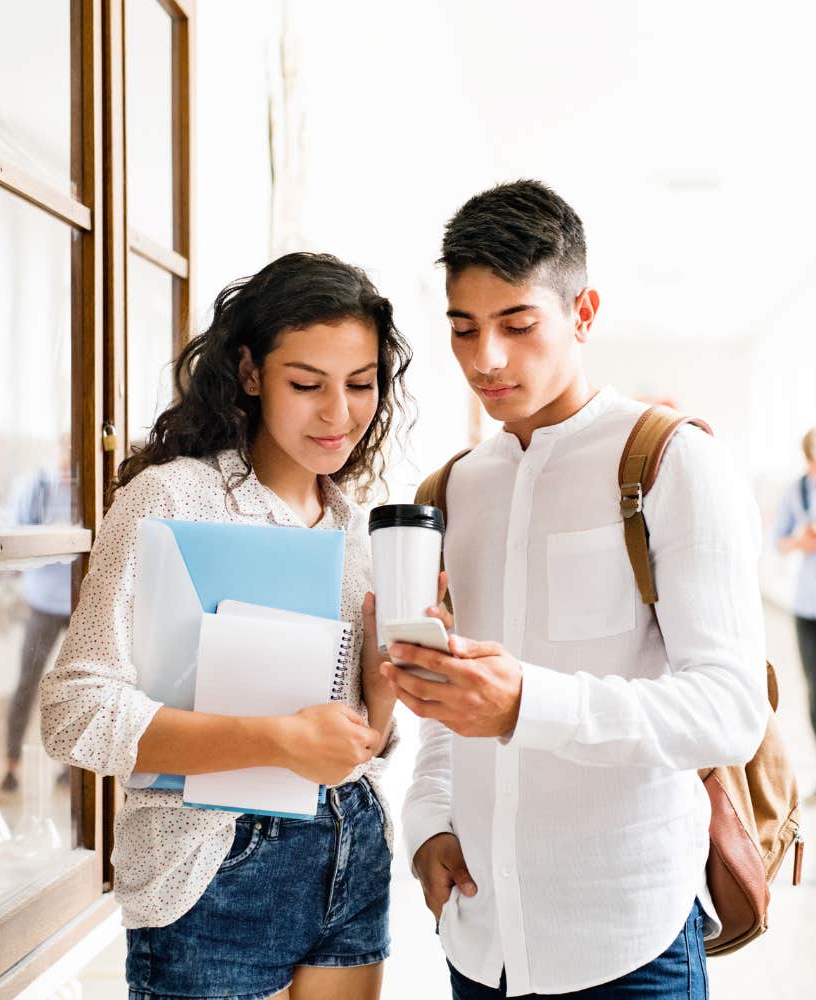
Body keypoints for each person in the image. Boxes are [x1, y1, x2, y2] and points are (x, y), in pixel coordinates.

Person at [385, 181, 768, 999]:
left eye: (518, 325)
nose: (486, 358)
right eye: (463, 328)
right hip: (479, 939)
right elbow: (448, 708)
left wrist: (529, 703)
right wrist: (428, 826)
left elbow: (730, 709)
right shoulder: (449, 491)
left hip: (628, 938)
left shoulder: (671, 462)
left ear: (583, 312)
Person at [40, 253, 411, 1000]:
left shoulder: (357, 530)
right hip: (214, 866)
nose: (339, 414)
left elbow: (362, 740)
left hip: (353, 843)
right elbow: (74, 711)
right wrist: (276, 740)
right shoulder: (173, 499)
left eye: (361, 385)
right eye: (307, 385)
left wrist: (392, 676)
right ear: (249, 373)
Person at [0, 448, 73, 793]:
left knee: (75, 689)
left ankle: (71, 768)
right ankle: (11, 764)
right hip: (42, 601)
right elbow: (14, 532)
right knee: (27, 683)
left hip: (78, 603)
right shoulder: (34, 485)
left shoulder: (87, 485)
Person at [774, 426, 816, 793]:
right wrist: (800, 541)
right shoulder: (798, 491)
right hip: (807, 606)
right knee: (815, 688)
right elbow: (779, 543)